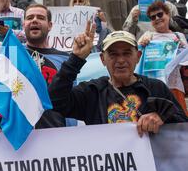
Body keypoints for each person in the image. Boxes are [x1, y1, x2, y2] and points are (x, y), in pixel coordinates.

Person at [48, 27, 188, 136]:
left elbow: (182, 125)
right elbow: (55, 101)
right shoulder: (92, 91)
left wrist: (161, 117)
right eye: (113, 54)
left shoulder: (155, 87)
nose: (120, 60)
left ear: (138, 56)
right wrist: (76, 59)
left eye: (127, 53)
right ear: (103, 59)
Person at [0, 0, 74, 129]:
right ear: (23, 25)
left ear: (50, 25)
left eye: (40, 18)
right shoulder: (14, 52)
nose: (34, 20)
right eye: (30, 18)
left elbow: (71, 99)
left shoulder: (65, 59)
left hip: (57, 131)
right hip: (21, 132)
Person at [138, 0, 188, 115]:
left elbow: (186, 61)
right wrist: (141, 45)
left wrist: (181, 47)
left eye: (160, 14)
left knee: (179, 120)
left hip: (174, 85)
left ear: (168, 14)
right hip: (152, 87)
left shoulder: (178, 36)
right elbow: (136, 58)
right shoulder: (147, 35)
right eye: (152, 17)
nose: (156, 18)